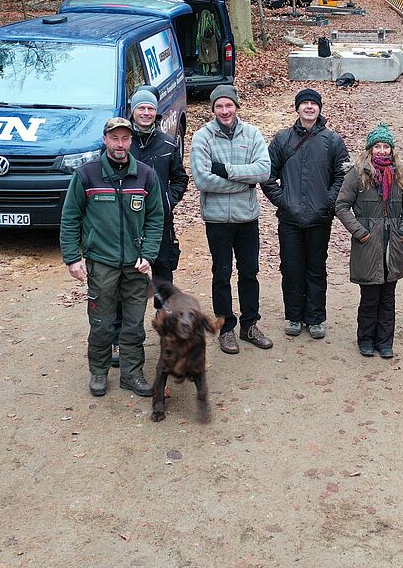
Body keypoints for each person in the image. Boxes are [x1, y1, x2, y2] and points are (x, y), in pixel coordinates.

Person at [60, 117, 164, 398]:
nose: (120, 144)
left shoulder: (145, 175)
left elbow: (156, 219)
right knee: (102, 323)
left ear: (131, 141)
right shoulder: (87, 175)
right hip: (101, 263)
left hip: (135, 265)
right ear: (105, 140)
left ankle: (132, 374)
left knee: (133, 324)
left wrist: (149, 254)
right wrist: (73, 258)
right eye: (115, 138)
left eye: (125, 139)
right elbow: (70, 218)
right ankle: (99, 372)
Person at [108, 88, 189, 366]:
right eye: (141, 108)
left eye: (150, 109)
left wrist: (167, 200)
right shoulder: (121, 144)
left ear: (156, 112)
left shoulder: (168, 145)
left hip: (161, 229)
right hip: (125, 228)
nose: (145, 113)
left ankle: (168, 337)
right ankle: (119, 341)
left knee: (163, 286)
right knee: (122, 287)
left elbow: (180, 179)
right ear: (133, 110)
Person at [189, 85, 273, 355]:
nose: (224, 111)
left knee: (249, 272)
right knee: (221, 273)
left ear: (237, 106)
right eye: (219, 106)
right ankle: (226, 328)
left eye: (229, 105)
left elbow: (263, 171)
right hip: (217, 220)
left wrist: (225, 170)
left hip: (247, 217)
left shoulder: (252, 134)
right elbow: (202, 179)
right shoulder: (202, 138)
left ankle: (250, 325)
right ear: (212, 109)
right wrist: (243, 182)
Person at [262, 88, 350, 340]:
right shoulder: (282, 140)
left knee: (316, 268)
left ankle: (315, 318)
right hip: (290, 218)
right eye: (305, 103)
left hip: (319, 218)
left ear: (320, 108)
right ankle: (294, 315)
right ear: (297, 108)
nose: (309, 107)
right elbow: (267, 175)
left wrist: (327, 202)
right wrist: (283, 201)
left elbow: (343, 176)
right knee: (291, 267)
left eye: (314, 103)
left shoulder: (333, 141)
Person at [335, 123, 403, 359]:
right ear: (370, 149)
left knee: (388, 298)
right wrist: (361, 232)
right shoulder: (357, 173)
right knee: (370, 298)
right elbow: (341, 205)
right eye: (377, 146)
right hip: (368, 244)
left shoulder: (400, 173)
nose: (382, 151)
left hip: (393, 244)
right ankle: (366, 339)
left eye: (386, 146)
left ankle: (385, 341)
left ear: (391, 149)